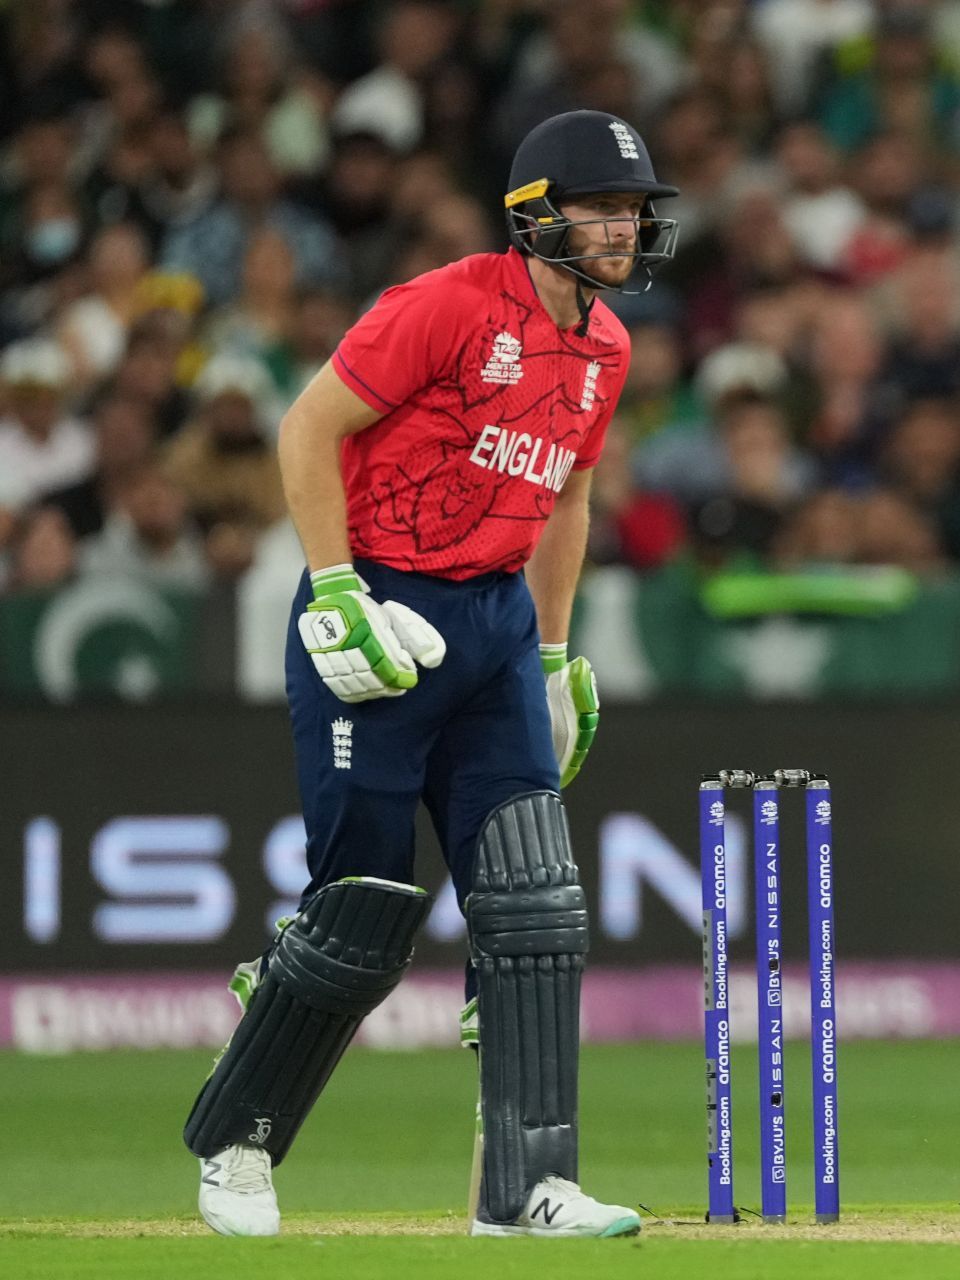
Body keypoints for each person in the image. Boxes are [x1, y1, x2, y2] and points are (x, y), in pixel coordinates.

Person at [181, 110, 679, 1239]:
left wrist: (550, 655)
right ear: (537, 212)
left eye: (636, 209)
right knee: (360, 912)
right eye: (604, 206)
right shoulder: (447, 303)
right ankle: (239, 1140)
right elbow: (307, 430)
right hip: (380, 613)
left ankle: (527, 1186)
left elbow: (570, 500)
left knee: (534, 903)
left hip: (497, 623)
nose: (627, 227)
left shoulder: (606, 347)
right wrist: (336, 587)